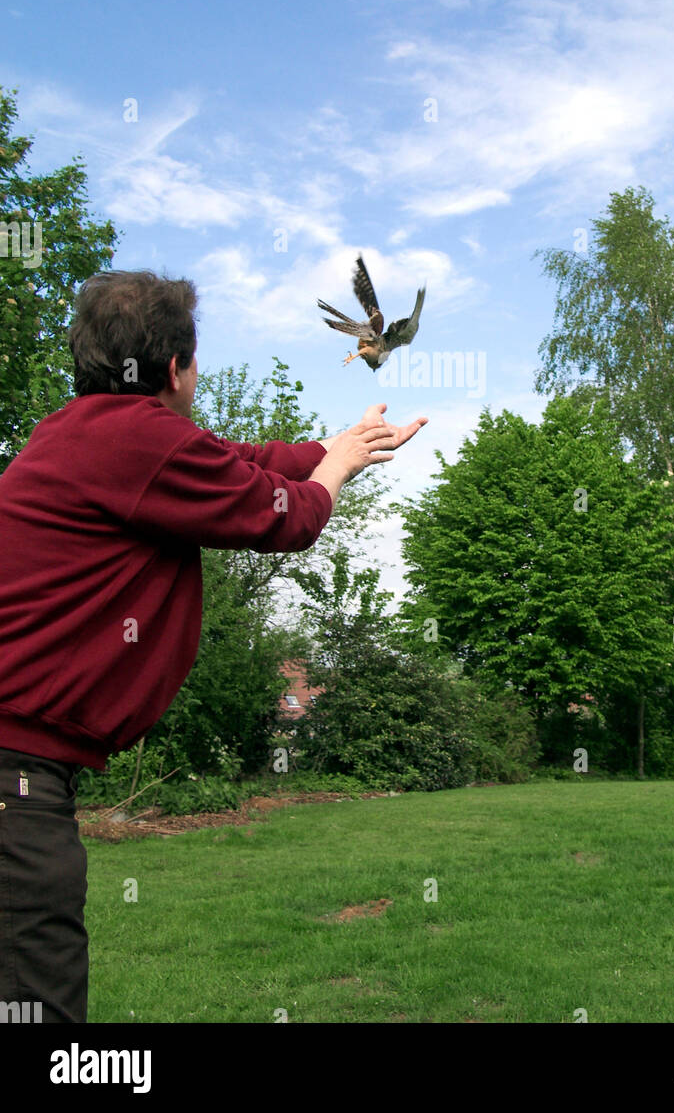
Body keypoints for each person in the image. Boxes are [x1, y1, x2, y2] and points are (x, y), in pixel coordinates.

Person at [0, 269, 427, 1023]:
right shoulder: (138, 439)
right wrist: (340, 468)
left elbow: (241, 461)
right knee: (36, 1009)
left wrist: (333, 444)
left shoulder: (81, 431)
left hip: (22, 772)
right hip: (14, 782)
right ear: (174, 369)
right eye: (195, 362)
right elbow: (285, 517)